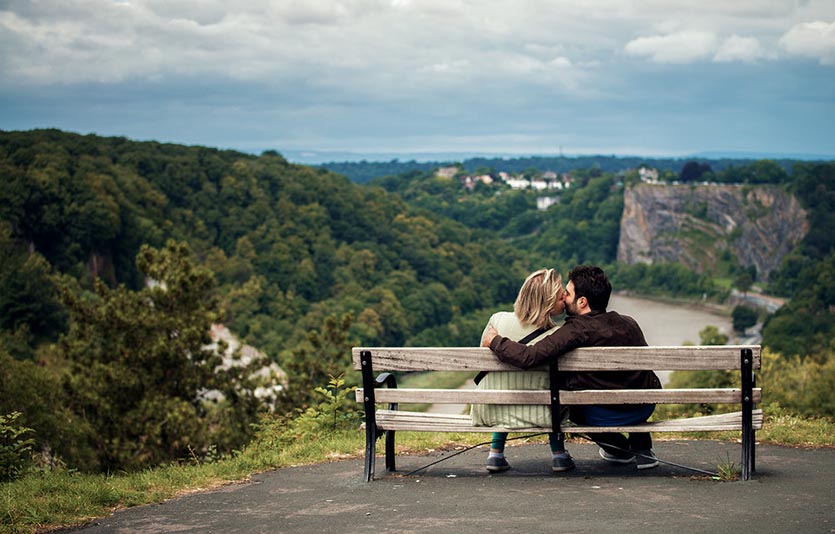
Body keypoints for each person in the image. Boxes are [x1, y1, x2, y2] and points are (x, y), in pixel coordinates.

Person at [481, 265, 662, 469]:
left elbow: (529, 357)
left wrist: (495, 341)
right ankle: (643, 450)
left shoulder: (575, 330)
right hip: (643, 408)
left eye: (567, 293)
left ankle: (618, 448)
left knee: (569, 405)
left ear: (582, 301)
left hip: (603, 415)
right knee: (632, 386)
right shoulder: (629, 323)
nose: (564, 297)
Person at [471, 268, 575, 473]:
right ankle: (558, 454)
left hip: (490, 411)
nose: (564, 298)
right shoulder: (558, 335)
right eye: (560, 295)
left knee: (505, 386)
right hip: (543, 415)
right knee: (553, 391)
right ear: (547, 301)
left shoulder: (497, 321)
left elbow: (484, 362)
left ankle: (495, 453)